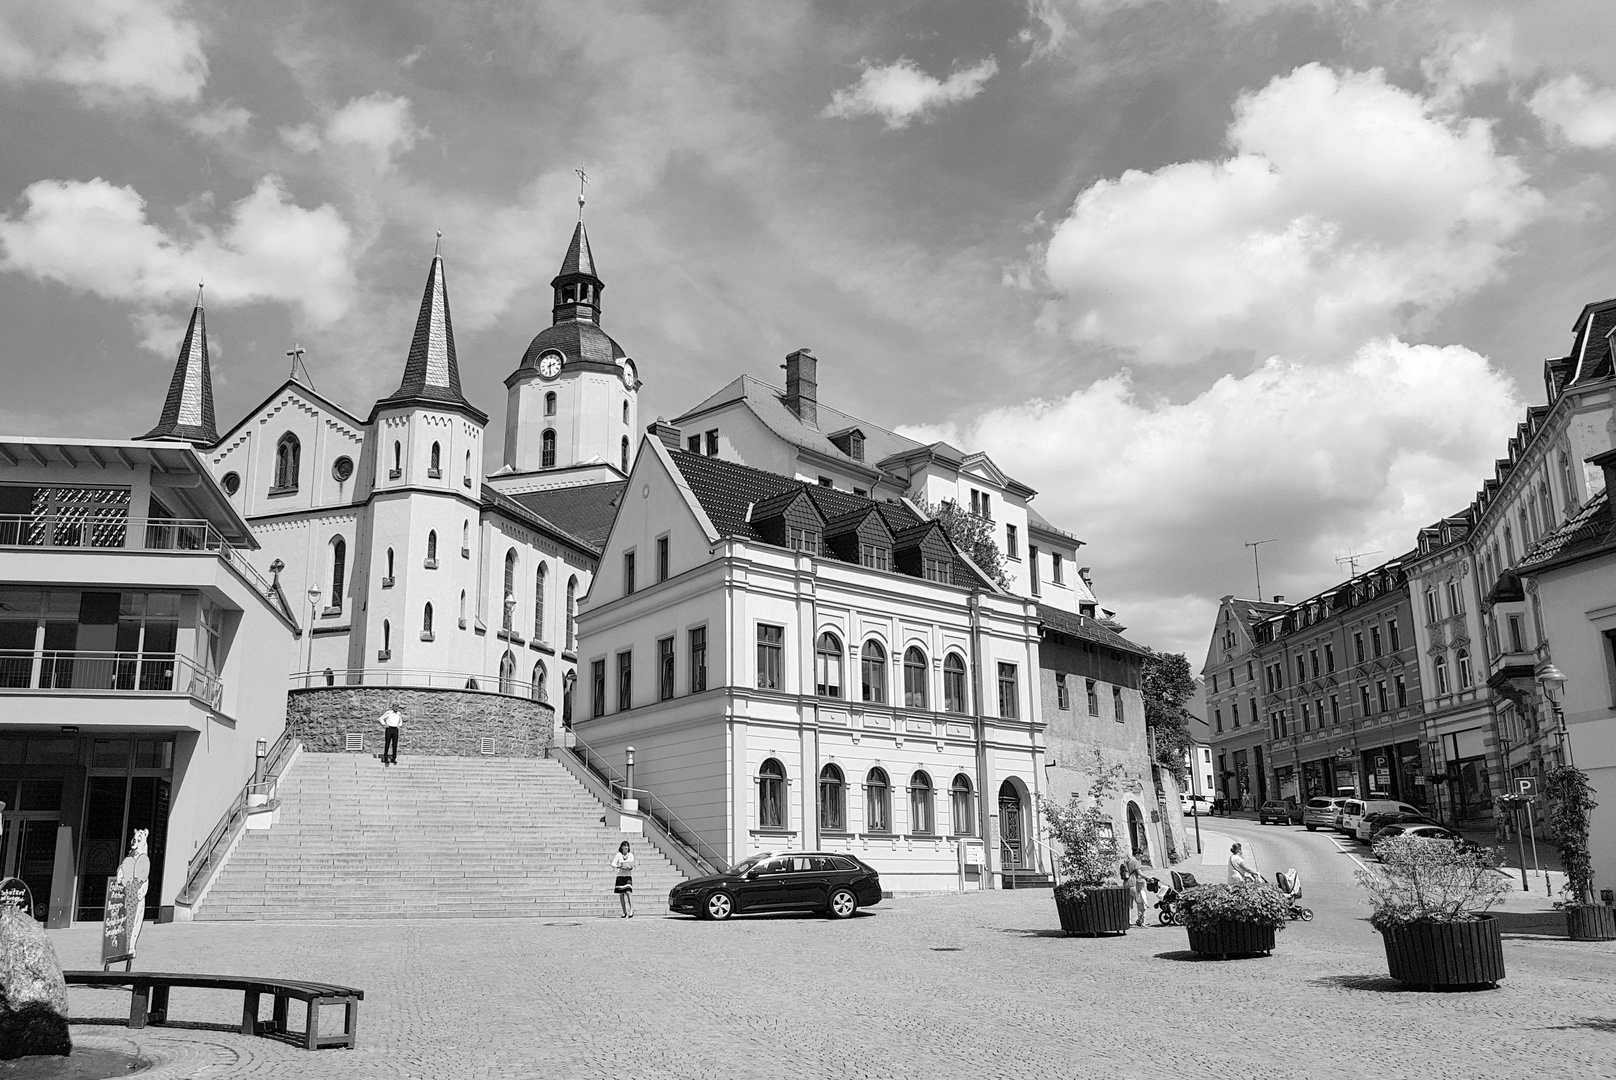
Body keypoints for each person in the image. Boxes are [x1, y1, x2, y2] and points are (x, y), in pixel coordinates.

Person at [1120, 854, 1147, 927]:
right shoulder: (1135, 861)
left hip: (1126, 884)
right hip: (1133, 884)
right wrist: (1147, 878)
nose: (1141, 856)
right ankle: (1141, 921)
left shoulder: (1127, 860)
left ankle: (1128, 921)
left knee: (1128, 905)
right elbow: (1140, 873)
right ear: (1137, 854)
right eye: (1141, 855)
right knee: (1140, 902)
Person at [611, 841, 635, 918]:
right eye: (624, 846)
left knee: (628, 892)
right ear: (621, 847)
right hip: (620, 876)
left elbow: (632, 865)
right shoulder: (618, 855)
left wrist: (629, 867)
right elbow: (613, 864)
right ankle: (624, 911)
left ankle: (631, 909)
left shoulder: (631, 855)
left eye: (627, 846)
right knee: (621, 894)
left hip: (627, 876)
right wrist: (619, 866)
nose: (626, 848)